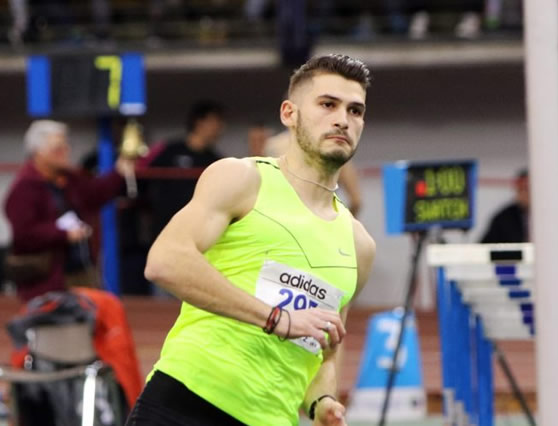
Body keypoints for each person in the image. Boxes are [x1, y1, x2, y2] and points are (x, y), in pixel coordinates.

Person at [127, 54, 376, 426]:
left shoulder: (359, 245)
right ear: (289, 114)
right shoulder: (242, 179)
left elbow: (324, 348)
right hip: (187, 401)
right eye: (328, 104)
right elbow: (166, 260)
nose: (343, 119)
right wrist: (277, 318)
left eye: (355, 110)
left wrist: (321, 401)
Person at [4, 120, 133, 302]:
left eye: (66, 146)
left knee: (92, 312)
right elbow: (24, 233)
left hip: (79, 269)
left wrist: (118, 173)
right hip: (46, 278)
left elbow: (94, 194)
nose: (66, 152)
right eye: (58, 149)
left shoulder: (69, 178)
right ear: (39, 152)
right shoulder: (25, 188)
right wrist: (64, 234)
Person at [145, 100, 226, 239]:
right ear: (199, 122)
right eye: (215, 121)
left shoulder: (215, 160)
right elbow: (143, 179)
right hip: (164, 226)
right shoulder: (168, 150)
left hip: (197, 230)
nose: (220, 127)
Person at [249, 125, 363, 217]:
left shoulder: (272, 146)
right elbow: (356, 201)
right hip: (320, 224)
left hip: (280, 223)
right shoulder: (335, 148)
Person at [480, 168, 558, 243]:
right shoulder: (504, 218)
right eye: (521, 189)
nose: (525, 194)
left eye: (529, 189)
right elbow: (485, 247)